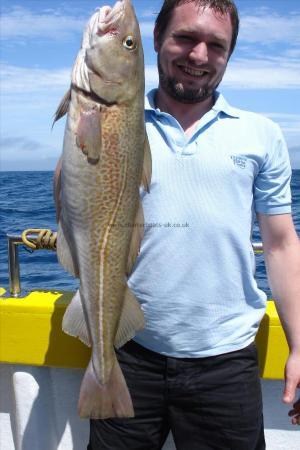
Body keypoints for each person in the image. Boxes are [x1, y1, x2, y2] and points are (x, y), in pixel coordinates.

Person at [56, 0, 300, 448]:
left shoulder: (261, 134)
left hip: (227, 362)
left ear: (230, 54)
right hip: (131, 349)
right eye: (185, 38)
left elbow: (282, 245)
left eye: (216, 45)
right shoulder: (112, 114)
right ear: (156, 42)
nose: (199, 56)